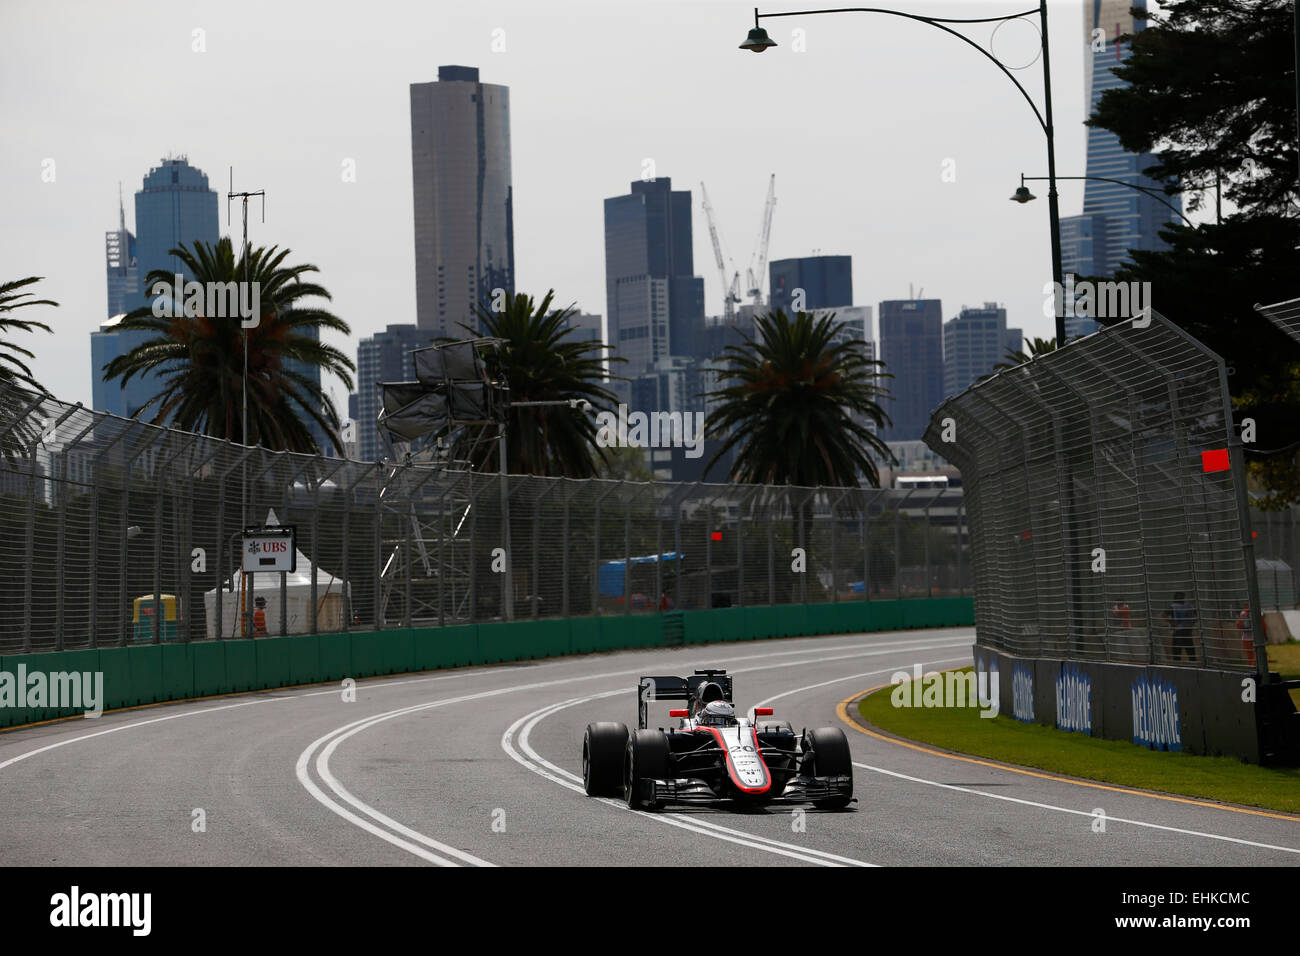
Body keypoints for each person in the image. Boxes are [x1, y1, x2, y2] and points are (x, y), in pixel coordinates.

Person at [1163, 591, 1197, 663]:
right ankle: (1193, 664)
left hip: (1178, 631)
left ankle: (1178, 665)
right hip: (1187, 631)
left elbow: (1163, 615)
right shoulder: (1189, 606)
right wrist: (1191, 623)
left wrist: (1172, 623)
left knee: (1177, 652)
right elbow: (1196, 617)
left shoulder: (1173, 606)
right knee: (1190, 651)